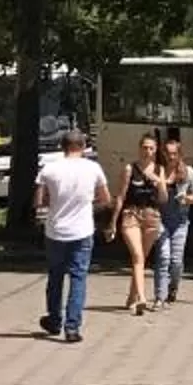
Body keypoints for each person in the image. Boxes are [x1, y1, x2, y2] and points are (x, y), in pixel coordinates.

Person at [36, 130, 110, 343]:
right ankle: (72, 327)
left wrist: (54, 201)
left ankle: (54, 319)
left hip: (55, 230)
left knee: (55, 276)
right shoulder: (93, 168)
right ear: (83, 146)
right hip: (82, 230)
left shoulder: (49, 169)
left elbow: (39, 201)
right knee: (78, 277)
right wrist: (88, 202)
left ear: (62, 146)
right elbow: (105, 199)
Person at [115, 132, 165, 315]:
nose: (147, 151)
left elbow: (164, 198)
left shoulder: (159, 169)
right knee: (137, 256)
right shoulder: (130, 168)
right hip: (132, 214)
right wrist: (113, 221)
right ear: (139, 148)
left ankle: (132, 296)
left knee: (141, 258)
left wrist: (159, 182)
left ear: (156, 150)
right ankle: (142, 298)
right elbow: (120, 196)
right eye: (144, 147)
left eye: (151, 148)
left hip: (152, 216)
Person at [153, 136, 193, 308]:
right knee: (163, 257)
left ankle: (173, 288)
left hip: (180, 222)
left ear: (179, 154)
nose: (171, 157)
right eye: (168, 153)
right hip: (161, 219)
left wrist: (186, 198)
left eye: (174, 153)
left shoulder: (188, 172)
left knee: (176, 261)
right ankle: (159, 296)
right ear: (163, 153)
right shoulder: (158, 171)